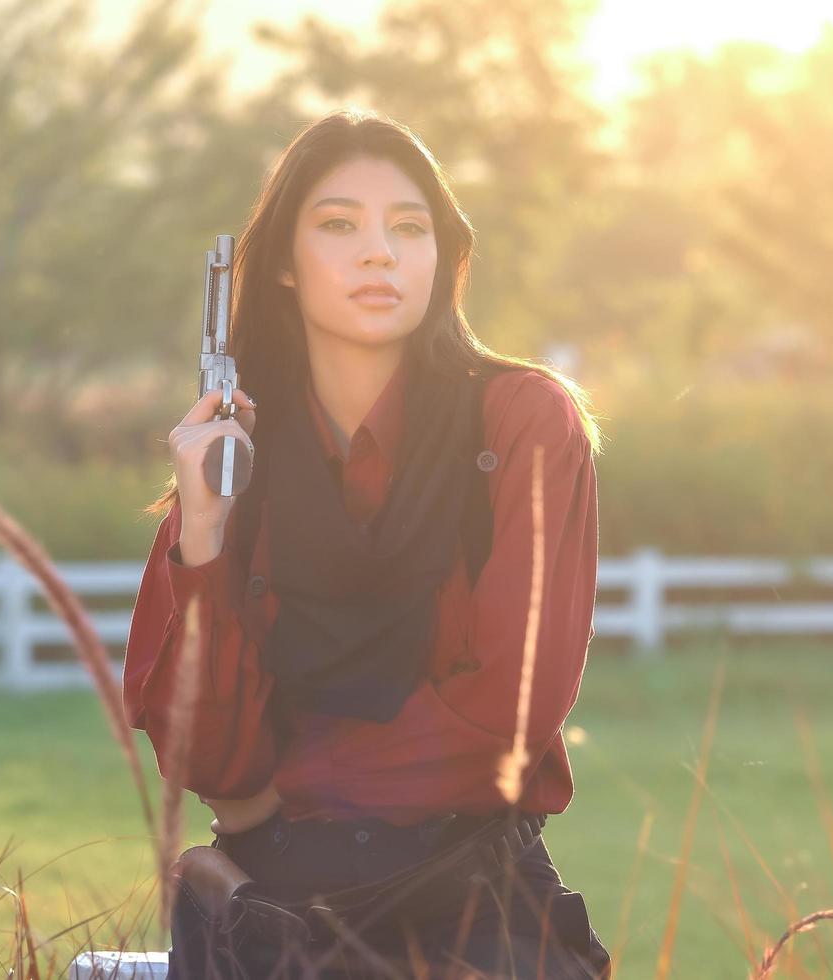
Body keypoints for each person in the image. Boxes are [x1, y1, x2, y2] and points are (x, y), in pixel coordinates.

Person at [121, 108, 611, 978]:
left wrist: (286, 793)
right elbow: (205, 760)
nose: (379, 251)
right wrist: (201, 535)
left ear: (442, 260)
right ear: (278, 265)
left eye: (408, 227)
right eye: (339, 224)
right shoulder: (233, 460)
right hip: (268, 916)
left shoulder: (526, 422)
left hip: (468, 907)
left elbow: (509, 713)